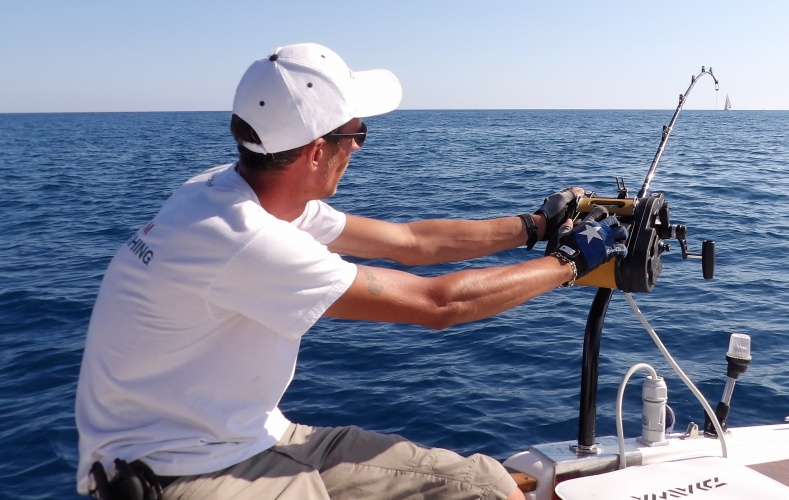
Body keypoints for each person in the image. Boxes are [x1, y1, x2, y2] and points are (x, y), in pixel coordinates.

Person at [75, 42, 628, 500]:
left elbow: (411, 243)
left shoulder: (233, 187)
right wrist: (575, 260)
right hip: (181, 472)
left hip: (247, 435)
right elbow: (439, 305)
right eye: (357, 133)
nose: (360, 146)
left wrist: (534, 225)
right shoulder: (246, 239)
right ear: (317, 151)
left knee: (490, 488)